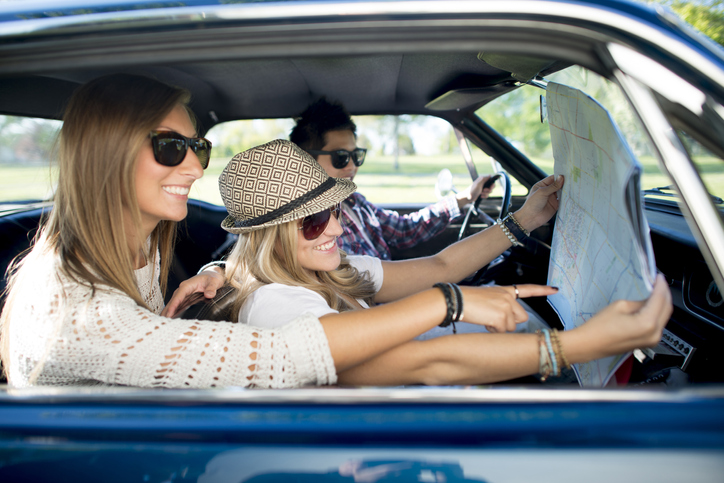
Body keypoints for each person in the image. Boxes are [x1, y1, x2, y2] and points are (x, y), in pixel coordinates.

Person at [0, 74, 600, 389]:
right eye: (170, 148)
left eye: (198, 147)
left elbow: (438, 265)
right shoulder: (81, 312)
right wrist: (465, 310)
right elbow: (292, 354)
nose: (193, 166)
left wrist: (521, 223)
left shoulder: (135, 262)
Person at [219, 139, 672, 386]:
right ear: (268, 237)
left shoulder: (327, 270)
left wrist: (523, 219)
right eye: (315, 221)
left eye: (336, 210)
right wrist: (574, 348)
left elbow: (439, 268)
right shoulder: (277, 307)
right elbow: (425, 363)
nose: (337, 228)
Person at [290, 97, 495, 260]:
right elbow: (358, 285)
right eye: (341, 157)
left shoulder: (354, 202)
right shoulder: (307, 225)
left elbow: (403, 230)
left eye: (357, 155)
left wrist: (465, 198)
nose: (352, 166)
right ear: (307, 160)